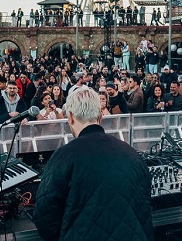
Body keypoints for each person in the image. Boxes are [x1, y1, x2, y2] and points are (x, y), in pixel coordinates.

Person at [33, 87, 153, 241]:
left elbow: (44, 216)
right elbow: (145, 210)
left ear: (70, 117)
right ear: (101, 117)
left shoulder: (63, 156)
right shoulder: (132, 154)